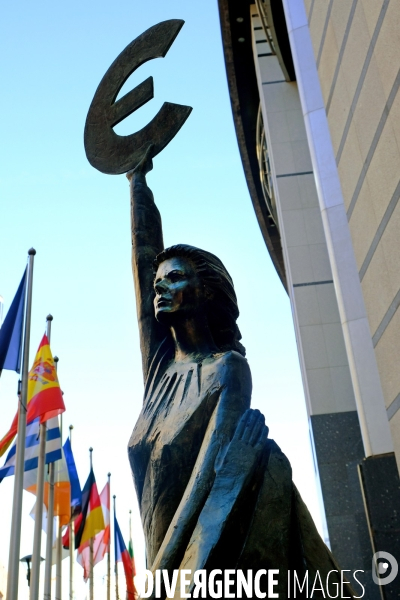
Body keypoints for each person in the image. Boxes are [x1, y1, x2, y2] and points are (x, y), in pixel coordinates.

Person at [127, 146, 355, 599]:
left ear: (206, 293)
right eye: (159, 281)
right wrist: (137, 184)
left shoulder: (227, 370)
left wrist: (159, 574)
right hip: (167, 566)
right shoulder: (160, 371)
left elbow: (205, 481)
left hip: (196, 564)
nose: (159, 285)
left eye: (174, 278)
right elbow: (142, 262)